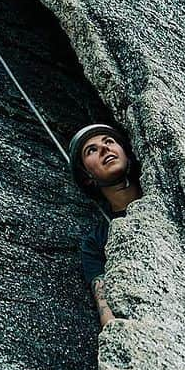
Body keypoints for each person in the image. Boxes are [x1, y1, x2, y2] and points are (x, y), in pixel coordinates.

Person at [68, 122, 143, 327]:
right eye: (91, 150)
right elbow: (105, 305)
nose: (104, 148)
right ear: (87, 178)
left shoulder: (165, 193)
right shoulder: (96, 243)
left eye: (109, 141)